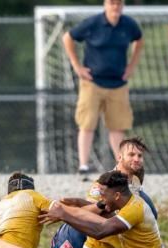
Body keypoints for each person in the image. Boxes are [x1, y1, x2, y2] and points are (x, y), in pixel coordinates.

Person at [62, 0, 144, 175]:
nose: (115, 6)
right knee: (87, 123)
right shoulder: (93, 23)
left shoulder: (128, 24)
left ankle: (121, 167)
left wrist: (132, 66)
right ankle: (83, 165)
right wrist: (77, 66)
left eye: (119, 3)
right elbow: (67, 37)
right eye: (112, 2)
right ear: (105, 4)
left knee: (117, 126)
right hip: (92, 82)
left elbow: (140, 39)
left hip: (118, 84)